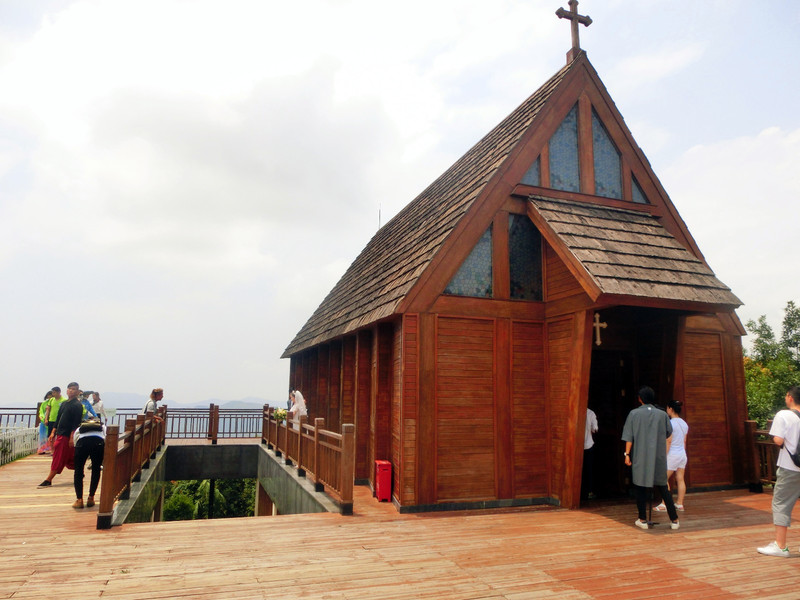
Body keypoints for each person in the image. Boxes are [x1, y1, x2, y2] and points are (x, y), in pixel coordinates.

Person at [621, 386, 680, 530]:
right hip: (658, 457)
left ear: (640, 398)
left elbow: (629, 436)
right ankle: (674, 520)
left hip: (641, 456)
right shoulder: (662, 415)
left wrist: (627, 454)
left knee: (640, 487)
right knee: (663, 487)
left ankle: (642, 519)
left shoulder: (634, 414)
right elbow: (668, 432)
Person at [757, 386, 800, 557]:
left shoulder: (783, 415)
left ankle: (780, 546)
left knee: (781, 504)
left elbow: (778, 439)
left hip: (790, 467)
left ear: (790, 397)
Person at [38, 382, 84, 488]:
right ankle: (79, 473)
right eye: (70, 389)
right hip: (60, 432)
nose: (71, 391)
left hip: (67, 435)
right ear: (67, 390)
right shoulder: (64, 403)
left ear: (77, 392)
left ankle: (48, 479)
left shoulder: (77, 405)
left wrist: (72, 437)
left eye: (74, 389)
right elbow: (58, 418)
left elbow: (76, 423)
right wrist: (53, 431)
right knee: (70, 458)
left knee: (58, 456)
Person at [655, 400, 688, 512]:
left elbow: (668, 441)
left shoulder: (670, 423)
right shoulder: (684, 423)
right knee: (680, 478)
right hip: (682, 454)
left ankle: (664, 504)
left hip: (672, 454)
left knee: (663, 479)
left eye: (667, 408)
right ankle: (680, 503)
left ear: (670, 409)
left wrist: (663, 455)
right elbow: (684, 441)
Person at [72, 418, 105, 509]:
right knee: (96, 469)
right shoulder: (102, 426)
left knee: (78, 470)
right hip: (98, 443)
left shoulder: (80, 427)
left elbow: (75, 441)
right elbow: (105, 438)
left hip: (82, 443)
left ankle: (79, 500)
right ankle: (91, 498)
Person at [582, 406, 598, 500]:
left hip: (579, 446)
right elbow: (595, 429)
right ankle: (589, 491)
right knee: (588, 470)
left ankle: (583, 492)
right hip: (588, 444)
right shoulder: (591, 413)